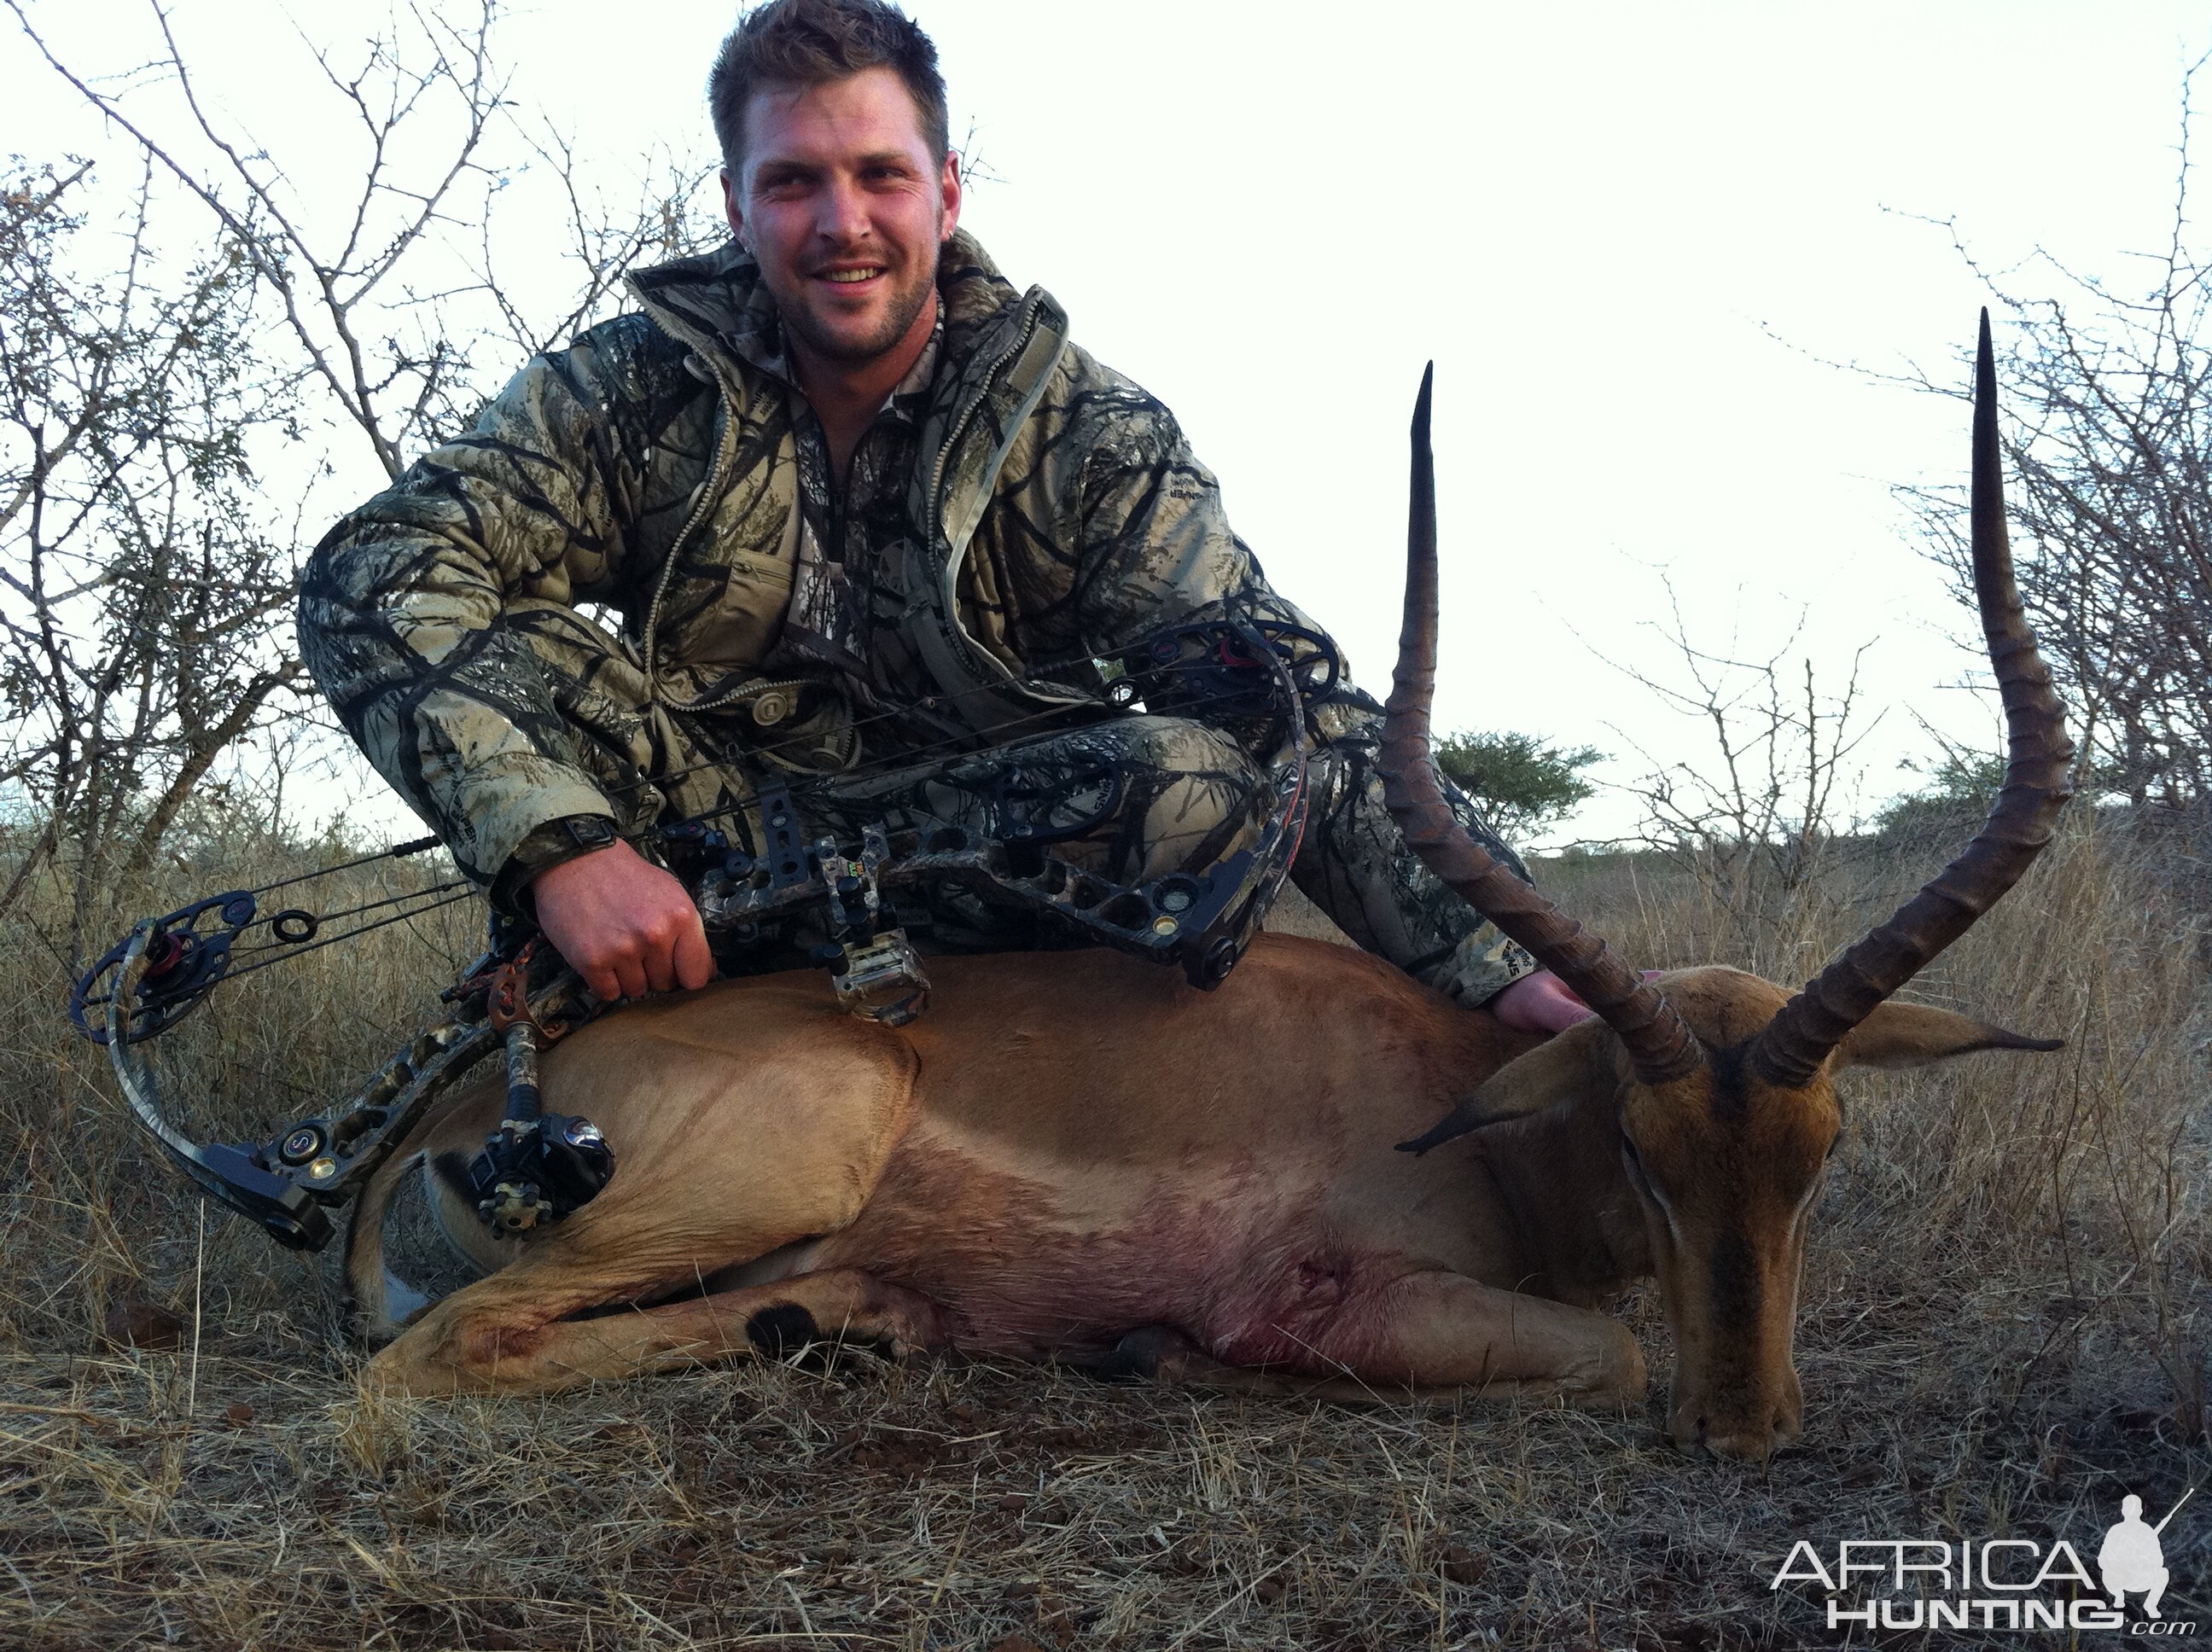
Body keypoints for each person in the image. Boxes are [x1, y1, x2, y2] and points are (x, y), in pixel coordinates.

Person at [298, 0, 1592, 1032]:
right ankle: (625, 948)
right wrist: (562, 849)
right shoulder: (631, 387)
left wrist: (1500, 962)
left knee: (1196, 781)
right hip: (705, 834)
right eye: (795, 181)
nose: (842, 223)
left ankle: (785, 992)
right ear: (738, 205)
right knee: (502, 639)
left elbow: (1283, 703)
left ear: (947, 191)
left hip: (986, 857)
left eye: (880, 175)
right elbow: (378, 568)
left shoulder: (1091, 432)